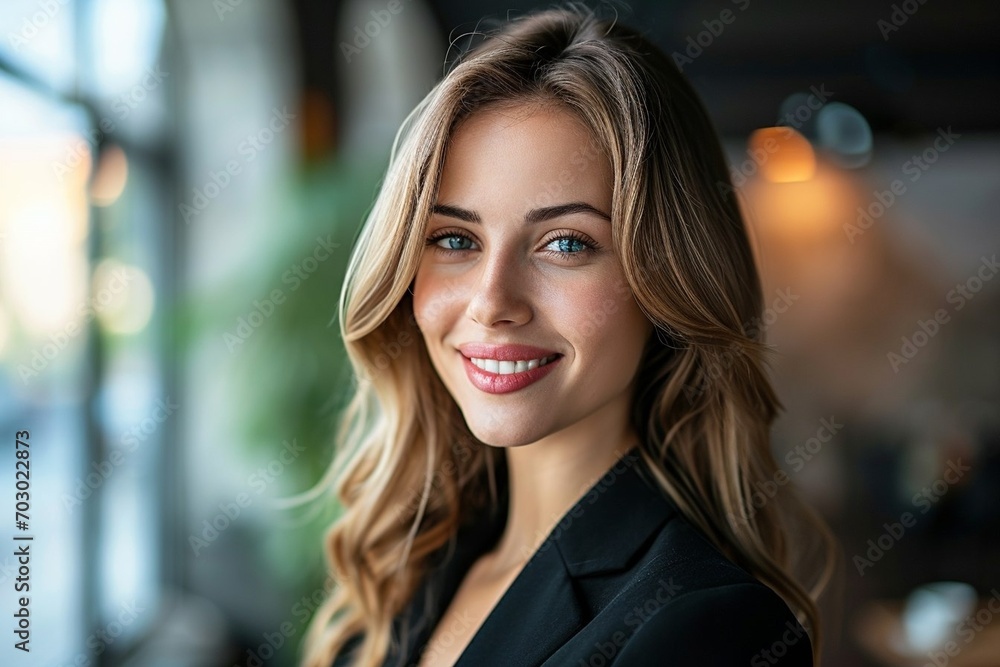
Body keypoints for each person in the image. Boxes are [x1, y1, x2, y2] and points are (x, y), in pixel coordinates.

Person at [300, 5, 837, 666]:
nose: (493, 302)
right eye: (455, 238)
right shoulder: (406, 569)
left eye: (565, 242)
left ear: (666, 280)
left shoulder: (710, 627)